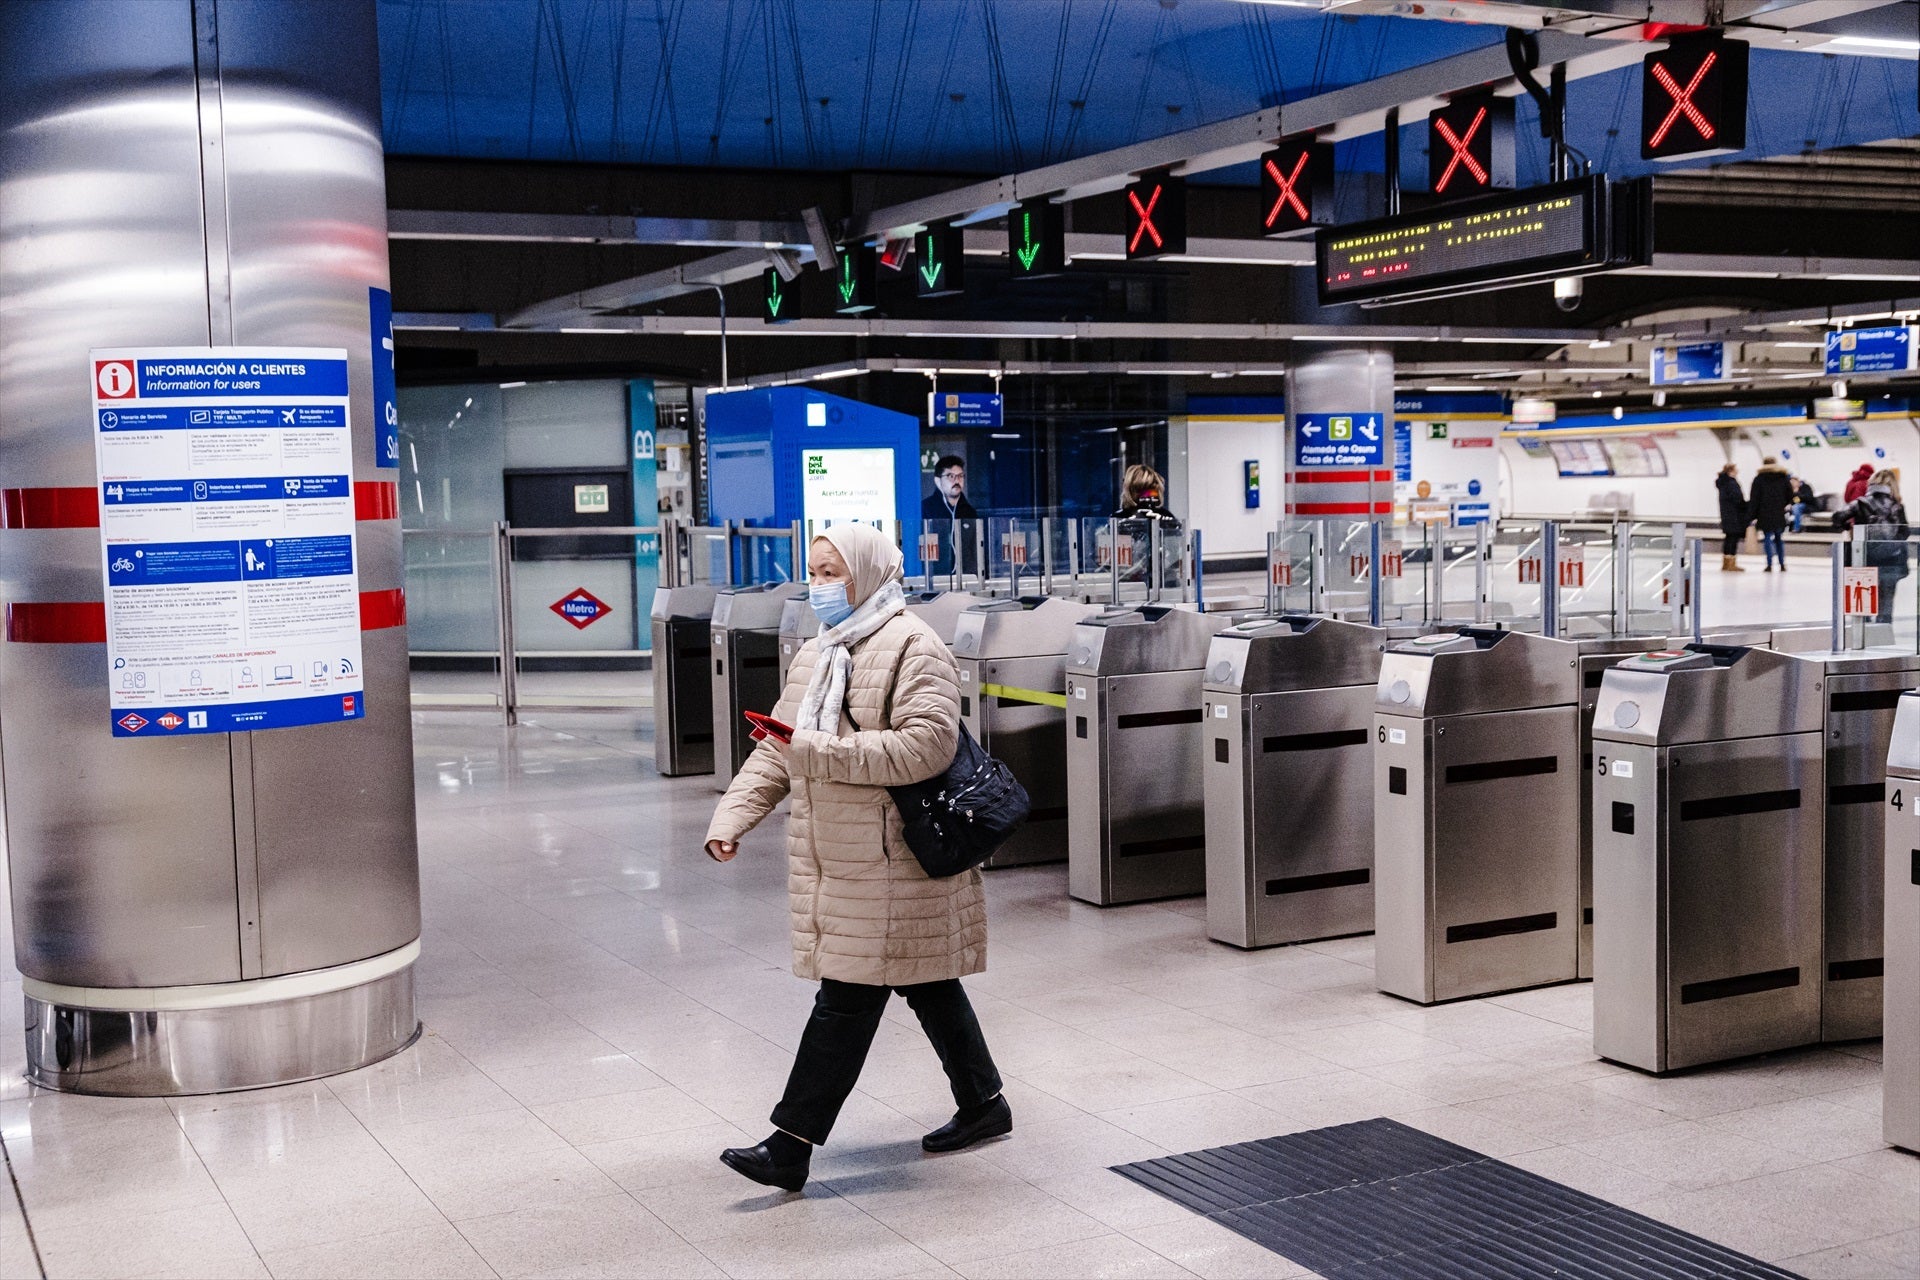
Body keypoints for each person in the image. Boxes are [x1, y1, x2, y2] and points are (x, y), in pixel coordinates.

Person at [703, 522, 1007, 1193]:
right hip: (843, 856)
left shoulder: (913, 646)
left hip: (894, 857)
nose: (820, 587)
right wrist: (733, 816)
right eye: (813, 572)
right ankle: (985, 1103)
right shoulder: (819, 652)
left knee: (847, 996)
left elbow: (926, 749)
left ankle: (791, 1145)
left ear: (867, 573)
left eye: (831, 573)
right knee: (925, 981)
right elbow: (779, 749)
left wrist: (818, 753)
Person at [1837, 469, 1910, 625]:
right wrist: (1892, 545)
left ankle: (1862, 633)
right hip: (1892, 559)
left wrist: (1848, 528)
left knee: (1862, 598)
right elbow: (1905, 531)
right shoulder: (1897, 506)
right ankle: (1883, 630)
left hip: (1864, 556)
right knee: (1887, 598)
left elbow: (1838, 517)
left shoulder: (1860, 503)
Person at [1113, 463, 1182, 586]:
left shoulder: (1119, 520)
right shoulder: (1166, 517)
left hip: (1130, 586)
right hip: (1165, 584)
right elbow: (1177, 556)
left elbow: (1112, 561)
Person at [919, 455, 978, 577]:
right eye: (951, 476)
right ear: (938, 480)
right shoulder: (926, 509)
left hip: (966, 580)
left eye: (960, 476)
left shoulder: (969, 512)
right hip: (935, 580)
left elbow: (976, 550)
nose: (957, 481)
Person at [1748, 456, 1793, 572]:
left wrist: (1752, 516)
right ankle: (1782, 564)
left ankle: (1769, 564)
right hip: (1778, 512)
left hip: (1764, 512)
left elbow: (1754, 499)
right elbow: (1790, 496)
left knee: (1767, 537)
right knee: (1779, 538)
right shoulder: (1783, 478)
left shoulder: (1758, 479)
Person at [1715, 463, 1749, 572]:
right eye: (1736, 469)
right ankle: (1731, 563)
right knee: (1733, 539)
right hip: (1735, 515)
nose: (1737, 471)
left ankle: (1725, 563)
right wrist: (1748, 505)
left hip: (1726, 514)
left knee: (1728, 538)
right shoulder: (1731, 483)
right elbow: (1738, 500)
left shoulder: (1723, 483)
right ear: (1731, 471)